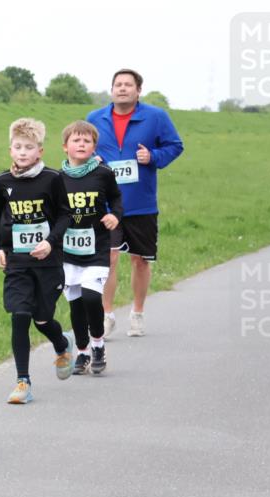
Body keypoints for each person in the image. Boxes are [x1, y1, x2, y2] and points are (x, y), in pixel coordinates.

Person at [87, 68, 184, 337]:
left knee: (140, 260)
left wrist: (152, 156)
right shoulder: (95, 118)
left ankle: (137, 312)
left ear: (138, 90)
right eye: (117, 84)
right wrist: (91, 160)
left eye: (128, 85)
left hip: (140, 202)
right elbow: (82, 146)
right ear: (111, 90)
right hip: (106, 204)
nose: (122, 88)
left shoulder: (156, 117)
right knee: (108, 259)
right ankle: (106, 315)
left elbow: (175, 146)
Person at [0, 118, 75, 404]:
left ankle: (62, 343)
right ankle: (22, 381)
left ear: (40, 150)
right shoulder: (2, 182)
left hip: (48, 263)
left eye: (29, 147)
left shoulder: (52, 179)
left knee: (42, 318)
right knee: (20, 315)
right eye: (18, 147)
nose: (23, 152)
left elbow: (65, 215)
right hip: (17, 262)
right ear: (10, 150)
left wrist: (50, 242)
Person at [58, 120, 123, 374]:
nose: (81, 144)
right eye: (76, 140)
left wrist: (114, 215)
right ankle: (83, 351)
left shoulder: (103, 173)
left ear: (94, 146)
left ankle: (98, 344)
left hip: (96, 246)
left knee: (91, 297)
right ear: (65, 147)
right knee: (76, 305)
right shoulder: (57, 178)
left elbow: (116, 198)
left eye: (87, 140)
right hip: (68, 251)